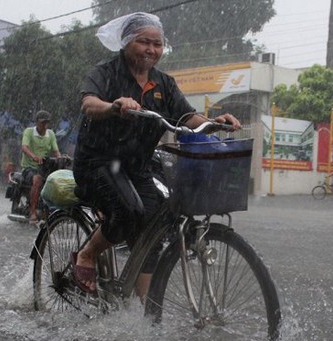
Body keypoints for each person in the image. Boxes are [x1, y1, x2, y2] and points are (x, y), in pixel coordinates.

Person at [71, 12, 241, 298]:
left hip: (137, 168)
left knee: (151, 230)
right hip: (96, 164)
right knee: (130, 213)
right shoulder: (106, 72)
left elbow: (188, 117)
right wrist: (114, 106)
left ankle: (148, 313)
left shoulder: (165, 84)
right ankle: (87, 254)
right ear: (126, 42)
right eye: (143, 42)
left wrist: (215, 123)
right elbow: (88, 103)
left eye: (157, 44)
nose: (151, 50)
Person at [20, 110, 61, 224]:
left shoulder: (51, 134)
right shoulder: (29, 132)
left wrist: (61, 158)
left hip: (45, 168)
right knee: (37, 180)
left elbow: (56, 151)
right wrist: (34, 156)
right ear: (37, 122)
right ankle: (32, 212)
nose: (44, 125)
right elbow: (24, 147)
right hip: (29, 168)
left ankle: (52, 209)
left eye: (46, 122)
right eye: (42, 122)